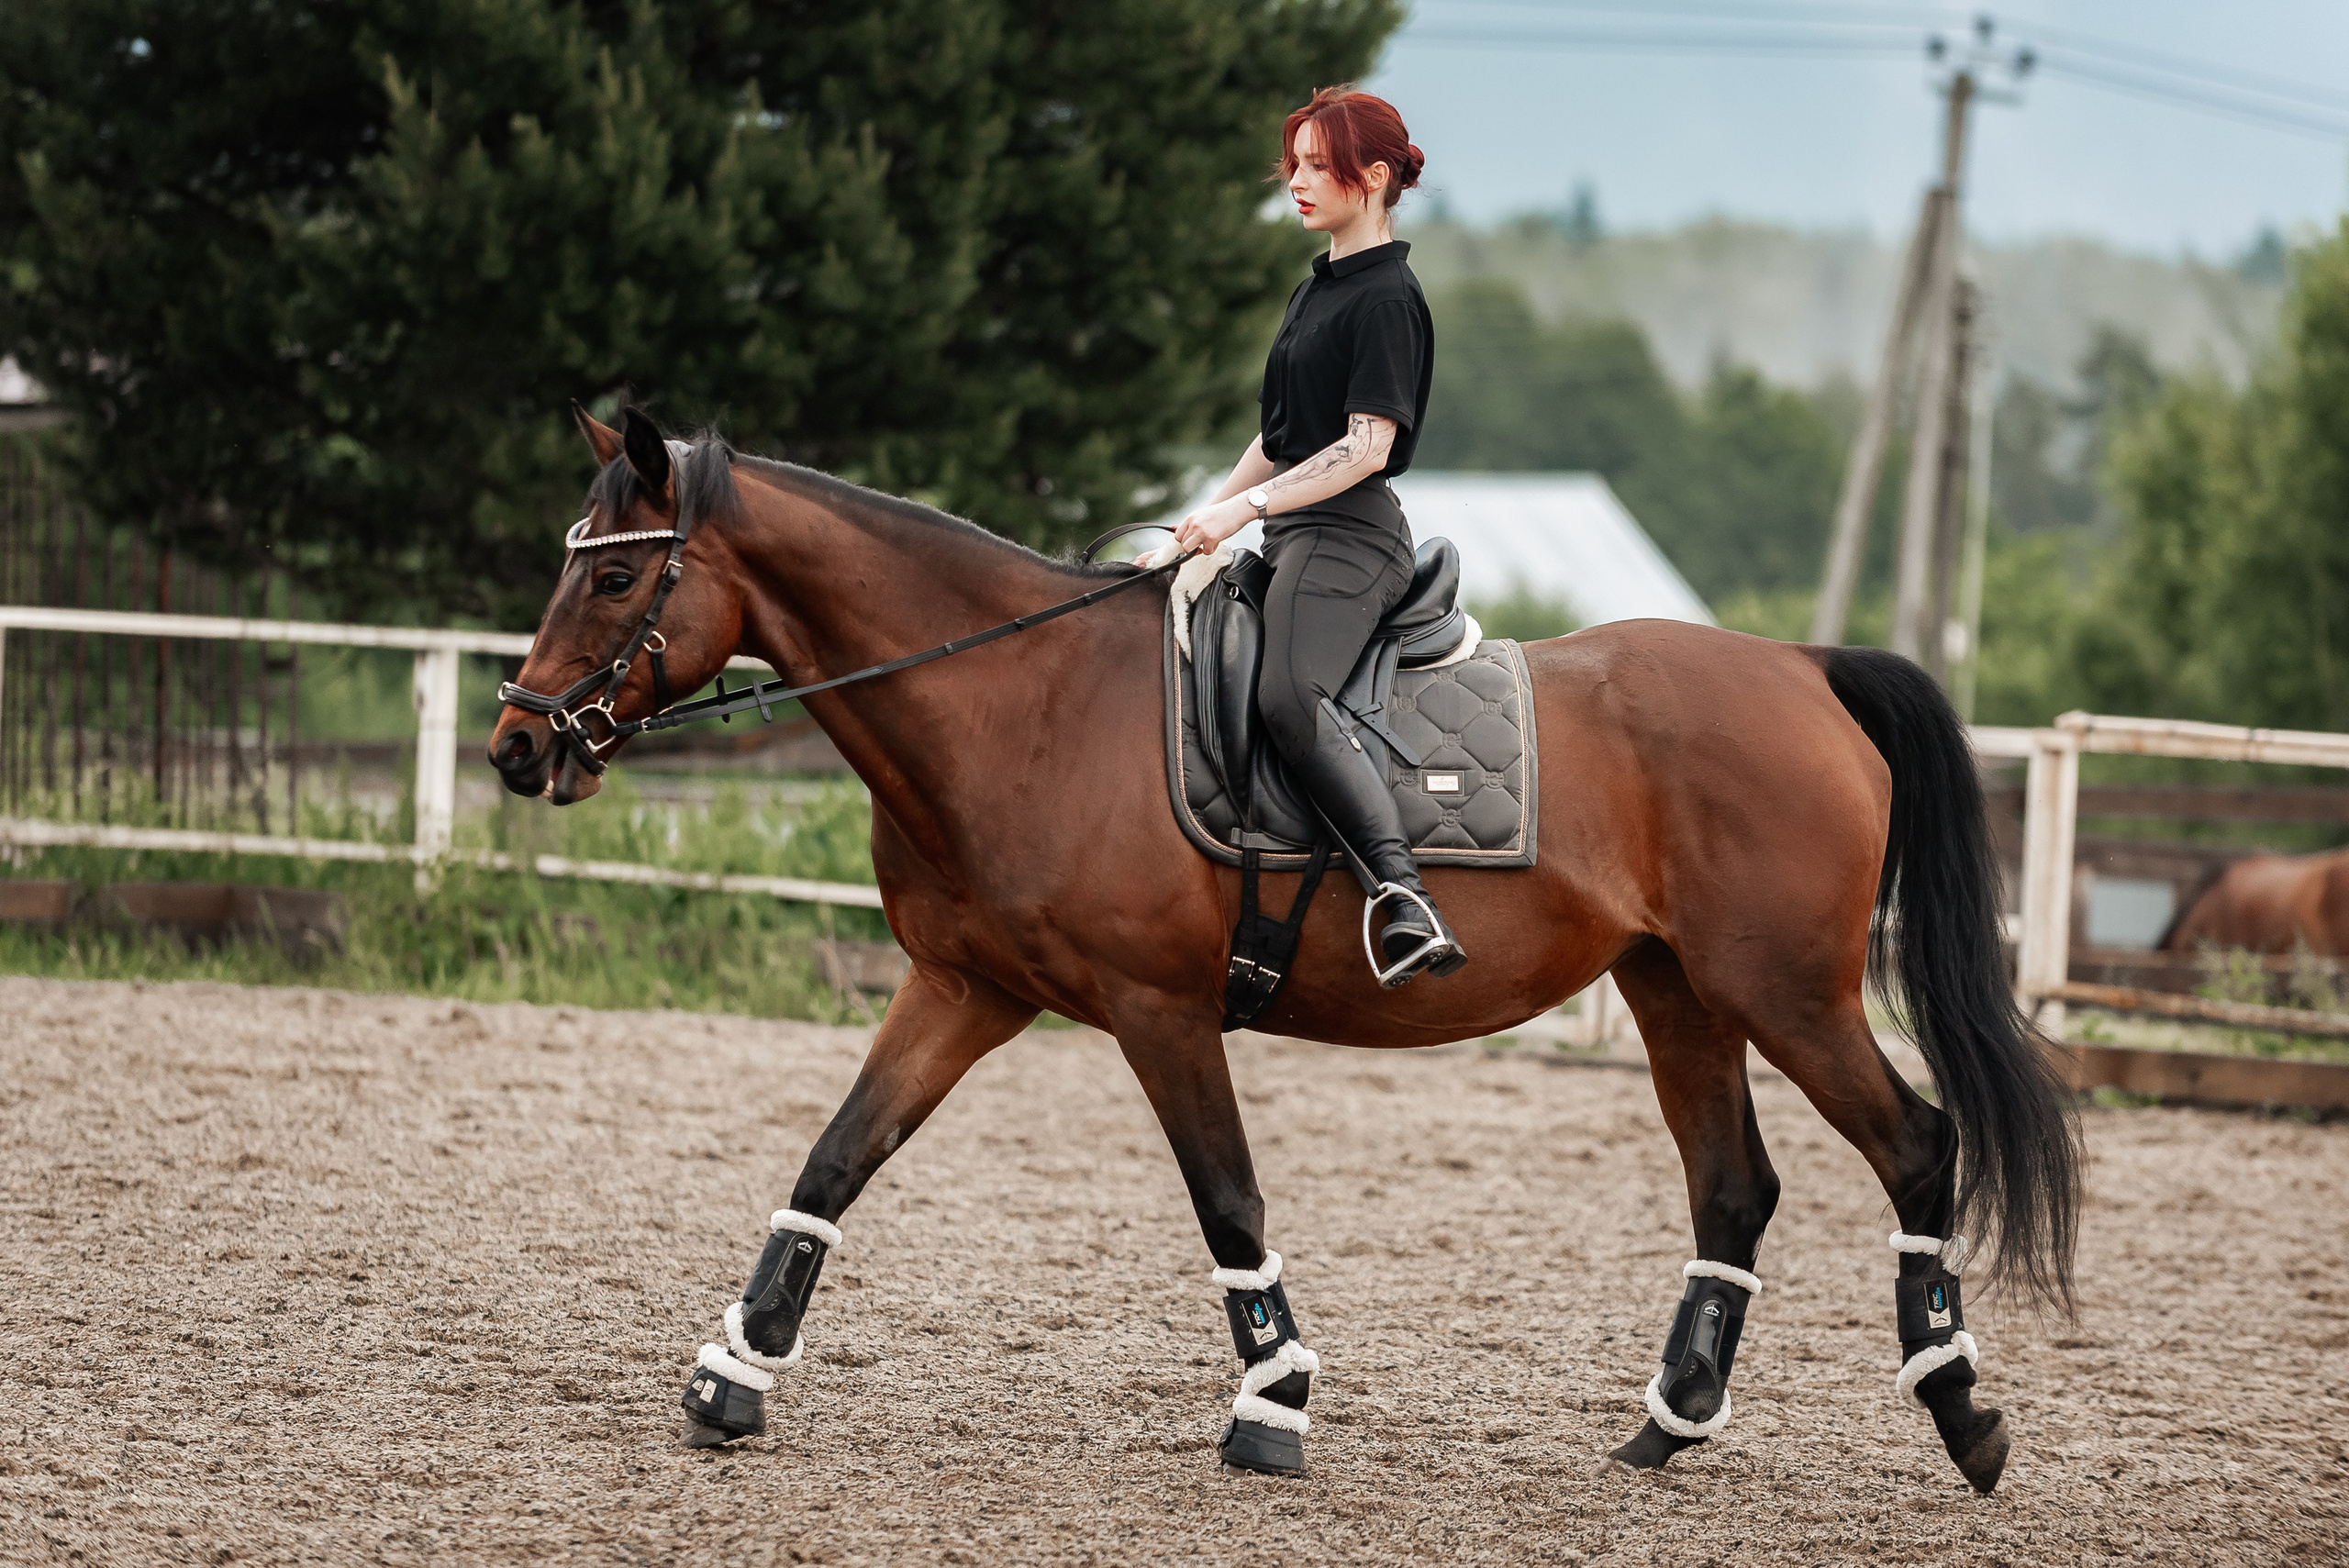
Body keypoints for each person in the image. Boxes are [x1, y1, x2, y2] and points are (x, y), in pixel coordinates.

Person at [1167, 85, 1464, 986]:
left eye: (1315, 166)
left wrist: (1245, 513)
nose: (1294, 182)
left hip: (1351, 537)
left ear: (1370, 177)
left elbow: (1365, 446)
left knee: (1291, 698)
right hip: (1290, 531)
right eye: (1291, 164)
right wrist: (1196, 528)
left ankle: (1403, 896)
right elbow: (1278, 439)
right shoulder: (1315, 290)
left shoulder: (1388, 299)